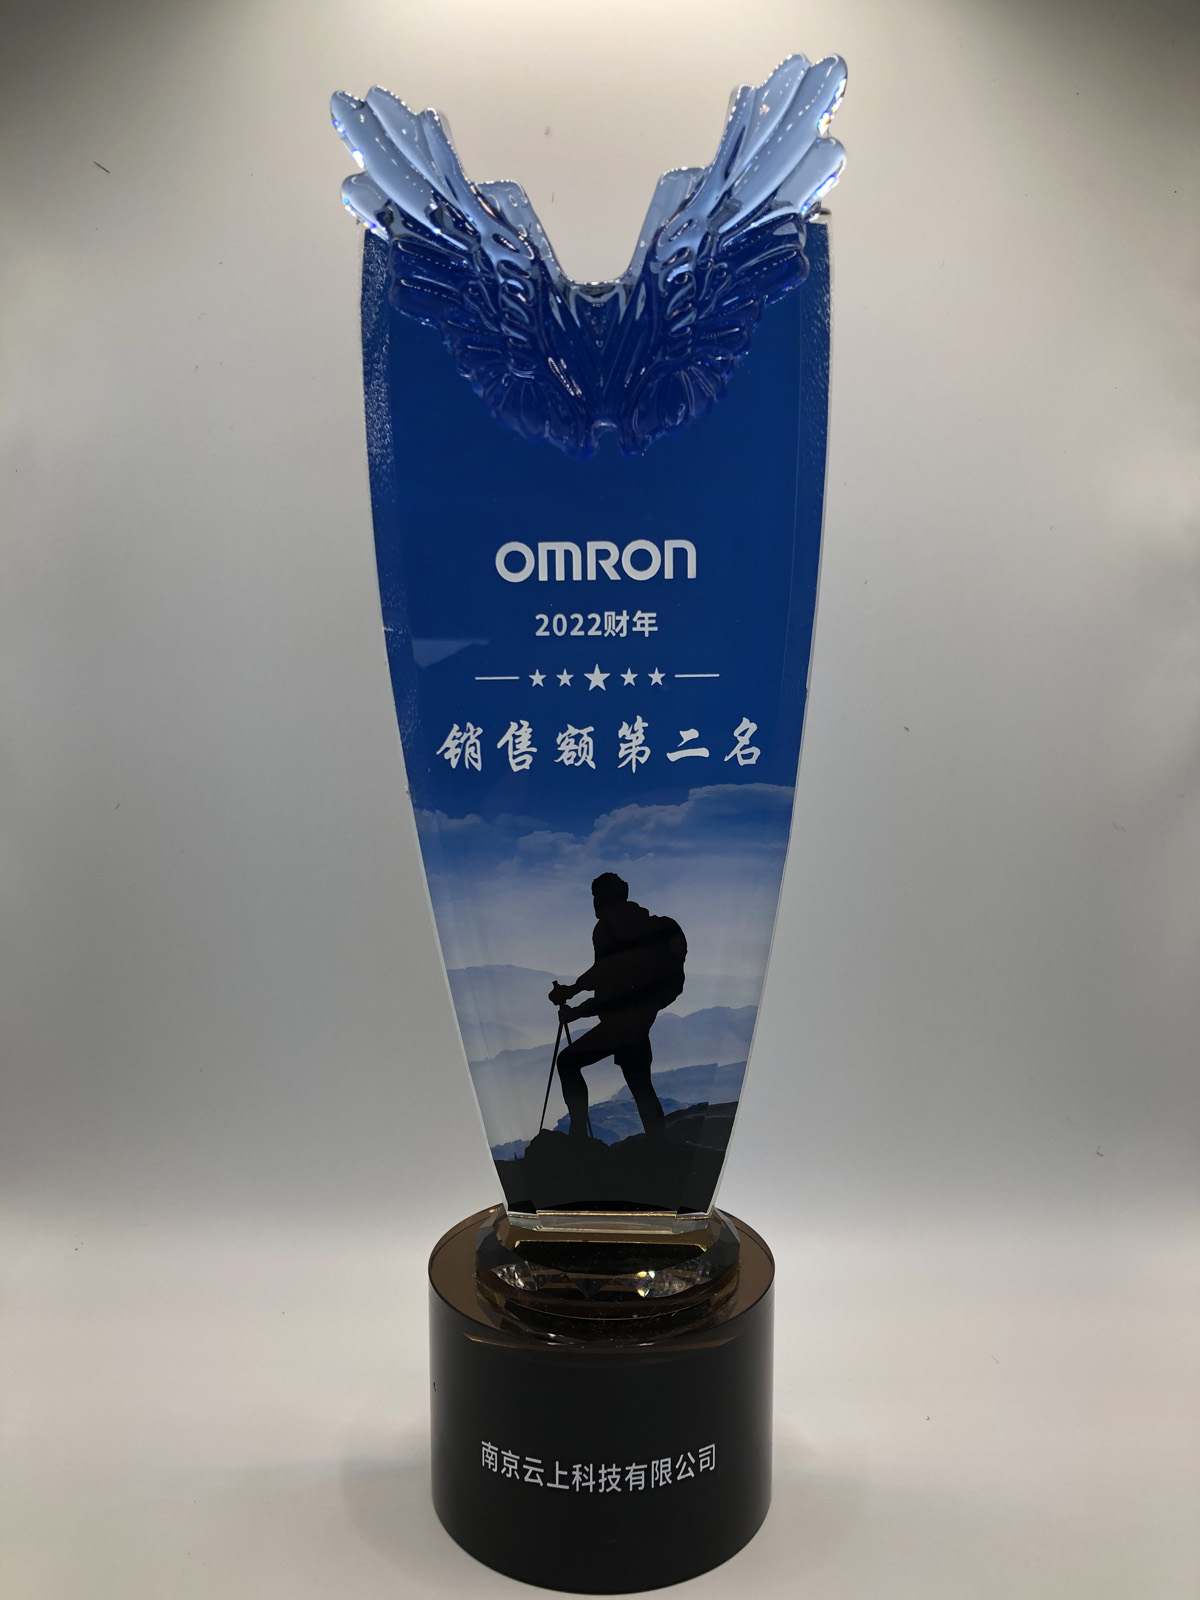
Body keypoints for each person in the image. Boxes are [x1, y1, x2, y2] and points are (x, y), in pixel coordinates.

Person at [549, 873, 687, 1140]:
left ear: (602, 899)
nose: (594, 903)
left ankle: (578, 1136)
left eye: (596, 896)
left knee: (567, 1062)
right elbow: (606, 975)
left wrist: (576, 1009)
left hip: (622, 1024)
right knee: (640, 1084)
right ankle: (660, 1146)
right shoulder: (643, 927)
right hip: (641, 1020)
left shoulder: (608, 931)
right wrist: (573, 992)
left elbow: (612, 985)